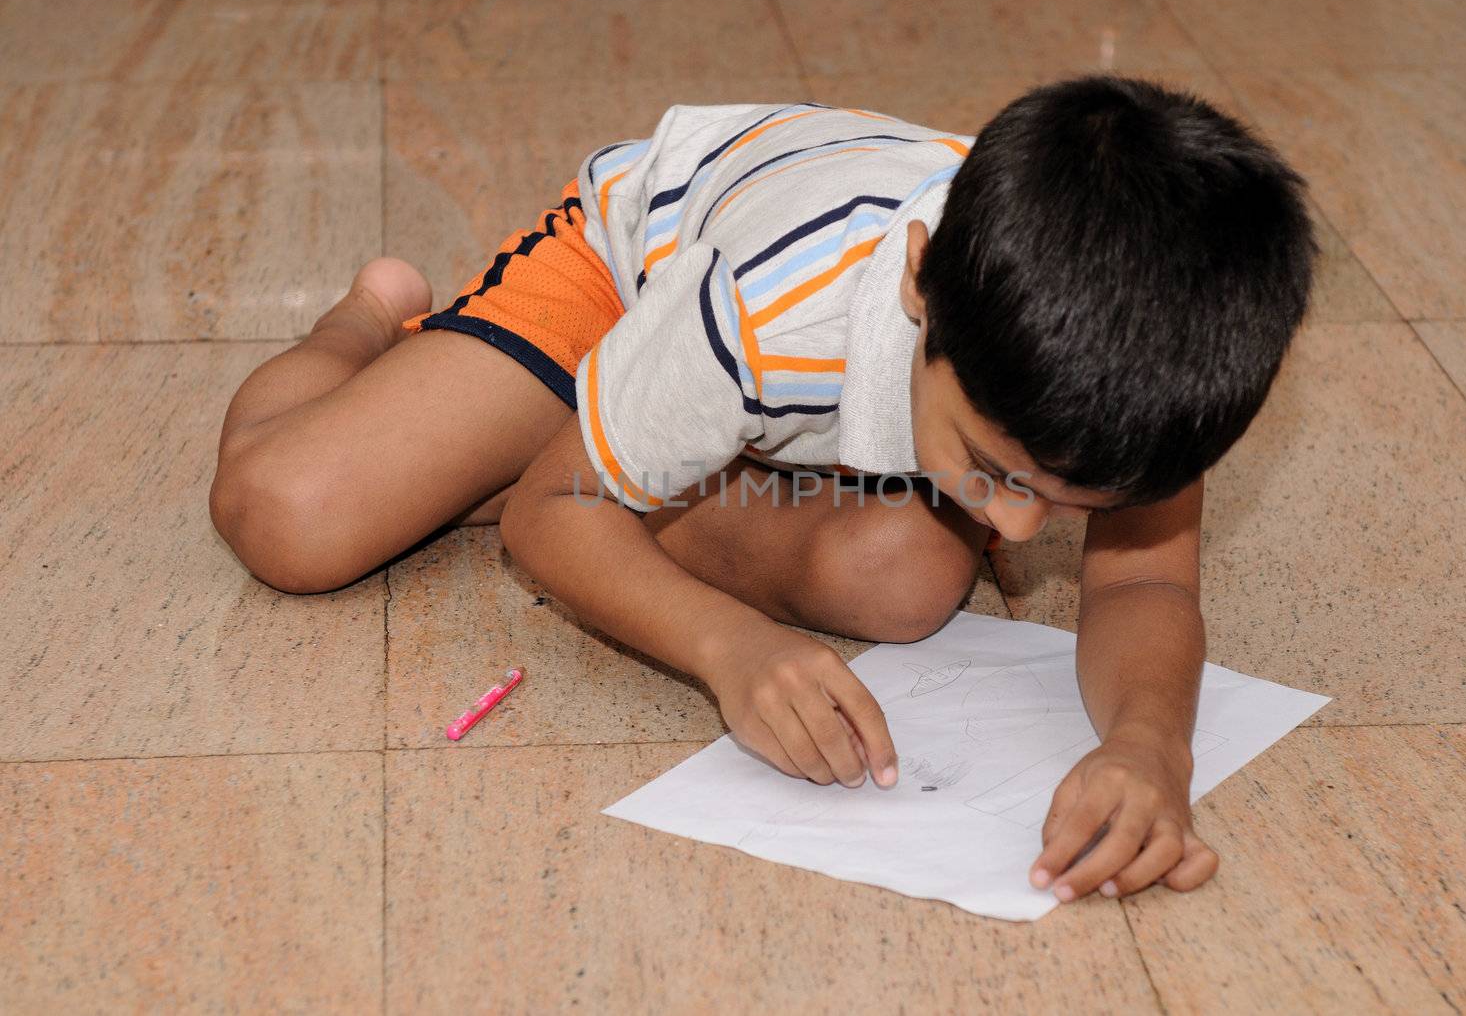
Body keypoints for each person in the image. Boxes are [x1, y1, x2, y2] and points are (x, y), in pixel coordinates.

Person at [209, 77, 1315, 903]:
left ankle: (616, 446)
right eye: (991, 470)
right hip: (633, 274)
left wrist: (1147, 749)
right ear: (922, 286)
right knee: (292, 515)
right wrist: (728, 645)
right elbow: (552, 522)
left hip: (756, 392)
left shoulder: (1141, 363)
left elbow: (1147, 589)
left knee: (905, 581)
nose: (1017, 526)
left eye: (1065, 501)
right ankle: (375, 326)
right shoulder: (766, 308)